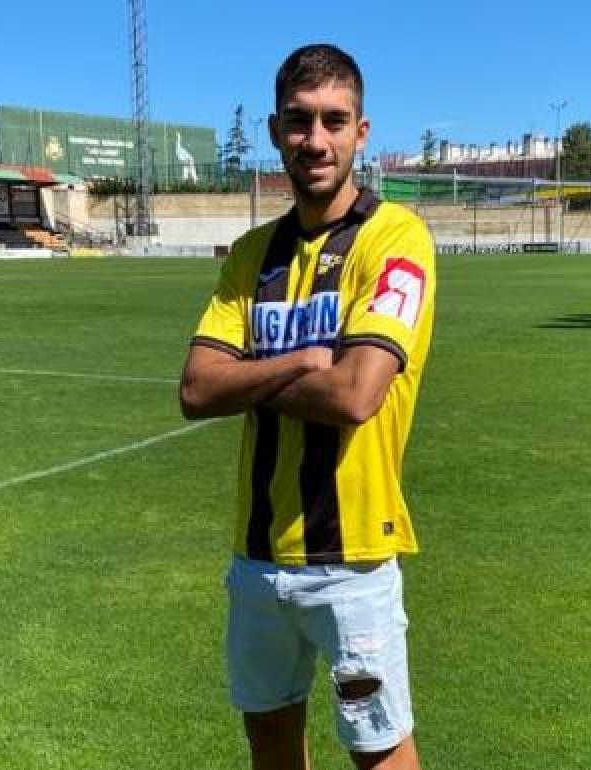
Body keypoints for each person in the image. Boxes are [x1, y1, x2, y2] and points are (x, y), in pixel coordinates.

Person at [179, 43, 436, 770]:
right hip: (257, 559)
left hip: (351, 562)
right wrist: (297, 362)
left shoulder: (396, 239)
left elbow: (357, 393)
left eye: (333, 120)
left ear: (361, 131)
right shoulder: (250, 254)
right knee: (270, 750)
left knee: (379, 755)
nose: (314, 140)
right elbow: (198, 389)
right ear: (273, 131)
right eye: (299, 121)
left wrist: (251, 375)